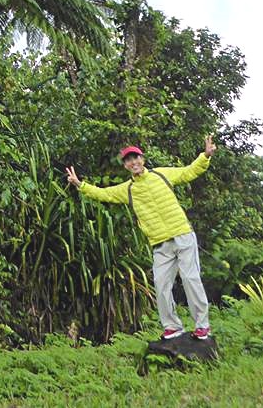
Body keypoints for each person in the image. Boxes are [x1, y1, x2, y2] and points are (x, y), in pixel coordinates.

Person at [65, 134, 217, 341]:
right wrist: (79, 184)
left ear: (142, 160)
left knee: (191, 279)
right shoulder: (127, 189)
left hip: (182, 234)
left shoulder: (162, 175)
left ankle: (202, 326)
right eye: (128, 160)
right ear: (126, 166)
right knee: (161, 285)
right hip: (160, 244)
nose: (133, 162)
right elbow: (104, 194)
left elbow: (189, 172)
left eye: (136, 158)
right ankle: (172, 327)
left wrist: (205, 156)